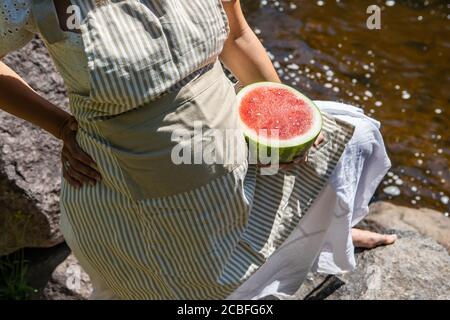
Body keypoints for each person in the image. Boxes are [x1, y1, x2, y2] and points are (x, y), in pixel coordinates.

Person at [0, 0, 396, 299]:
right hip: (133, 202)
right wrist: (60, 125)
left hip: (238, 155)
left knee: (352, 137)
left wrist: (280, 120)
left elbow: (237, 37)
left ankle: (326, 229)